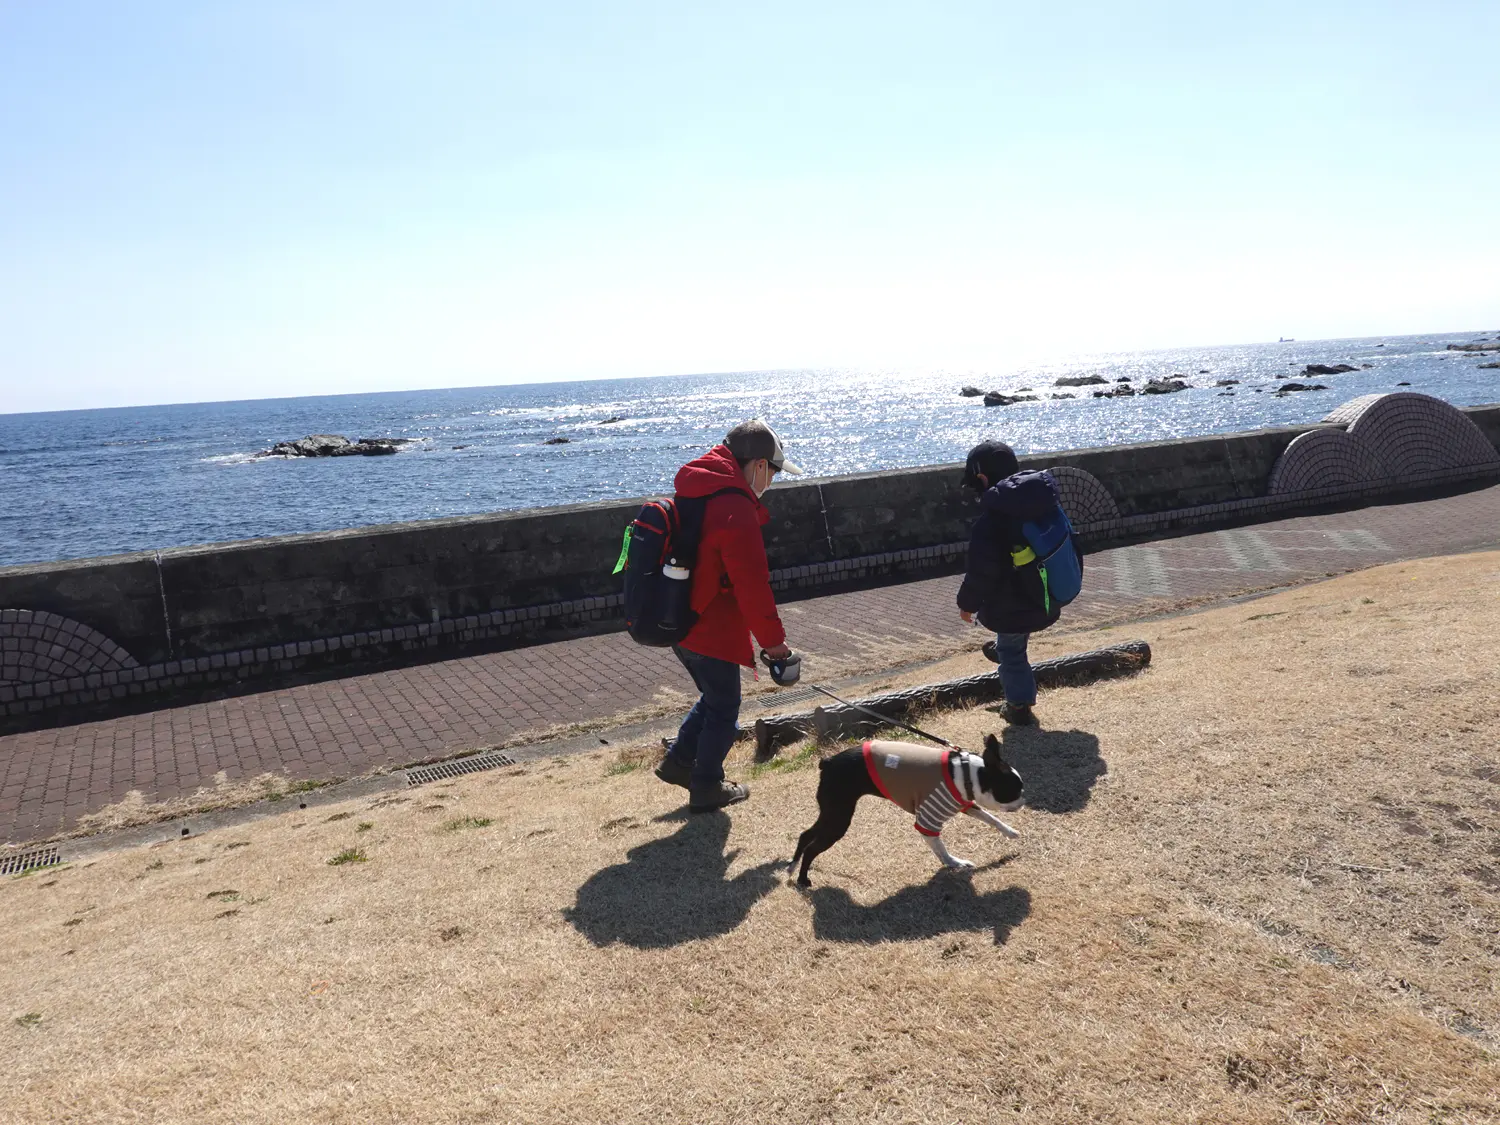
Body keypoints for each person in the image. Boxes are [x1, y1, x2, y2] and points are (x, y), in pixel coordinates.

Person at [654, 419, 800, 811]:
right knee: (724, 707)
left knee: (714, 698)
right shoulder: (735, 506)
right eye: (773, 472)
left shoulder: (698, 488)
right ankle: (707, 786)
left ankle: (678, 762)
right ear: (758, 465)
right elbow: (751, 585)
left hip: (679, 618)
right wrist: (775, 645)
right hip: (710, 626)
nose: (771, 481)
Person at [955, 440, 1079, 725]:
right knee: (1014, 639)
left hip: (1013, 606)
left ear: (982, 479)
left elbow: (981, 572)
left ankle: (1018, 706)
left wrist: (966, 604)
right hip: (1045, 596)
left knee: (1012, 651)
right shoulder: (1042, 501)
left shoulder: (991, 522)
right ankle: (1003, 653)